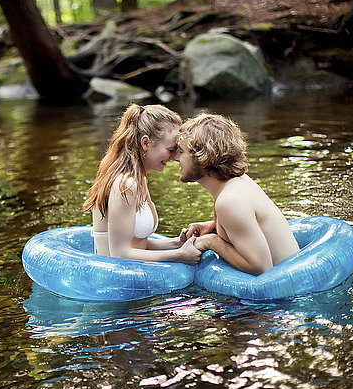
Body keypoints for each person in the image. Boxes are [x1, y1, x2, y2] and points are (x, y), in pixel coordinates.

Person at [175, 113, 299, 275]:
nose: (176, 158)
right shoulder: (238, 182)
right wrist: (213, 227)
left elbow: (261, 268)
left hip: (282, 295)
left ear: (202, 156)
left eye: (181, 152)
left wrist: (210, 241)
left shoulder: (230, 200)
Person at [82, 104, 201, 265]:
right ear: (145, 143)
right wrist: (179, 255)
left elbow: (137, 244)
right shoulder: (126, 184)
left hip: (130, 274)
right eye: (171, 149)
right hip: (114, 282)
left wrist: (176, 243)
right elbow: (120, 253)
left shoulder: (139, 179)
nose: (174, 157)